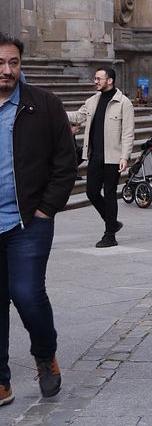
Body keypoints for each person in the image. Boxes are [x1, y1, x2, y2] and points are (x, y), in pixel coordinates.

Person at [0, 33, 77, 402]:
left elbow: (66, 161)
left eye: (13, 63)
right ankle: (1, 379)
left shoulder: (43, 104)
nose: (7, 70)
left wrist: (46, 210)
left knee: (27, 294)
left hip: (27, 222)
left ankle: (45, 356)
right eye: (0, 63)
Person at [67, 67, 135, 248]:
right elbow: (78, 116)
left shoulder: (123, 103)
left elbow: (128, 133)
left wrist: (125, 156)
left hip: (113, 157)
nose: (95, 81)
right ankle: (112, 222)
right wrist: (56, 110)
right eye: (95, 78)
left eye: (98, 78)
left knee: (110, 194)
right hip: (94, 156)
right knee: (91, 192)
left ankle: (109, 234)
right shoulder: (92, 101)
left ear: (110, 80)